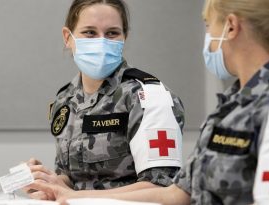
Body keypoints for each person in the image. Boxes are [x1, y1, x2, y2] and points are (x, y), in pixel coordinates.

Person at [25, 0, 269, 204]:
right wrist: (63, 189)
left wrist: (75, 196)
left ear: (230, 27)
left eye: (208, 26)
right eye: (90, 32)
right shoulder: (228, 109)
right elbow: (179, 193)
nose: (206, 38)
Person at [22, 0, 185, 200]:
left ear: (124, 37)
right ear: (68, 37)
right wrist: (48, 182)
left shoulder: (147, 96)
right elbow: (72, 180)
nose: (101, 41)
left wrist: (75, 197)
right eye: (90, 32)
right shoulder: (65, 100)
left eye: (112, 33)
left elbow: (162, 186)